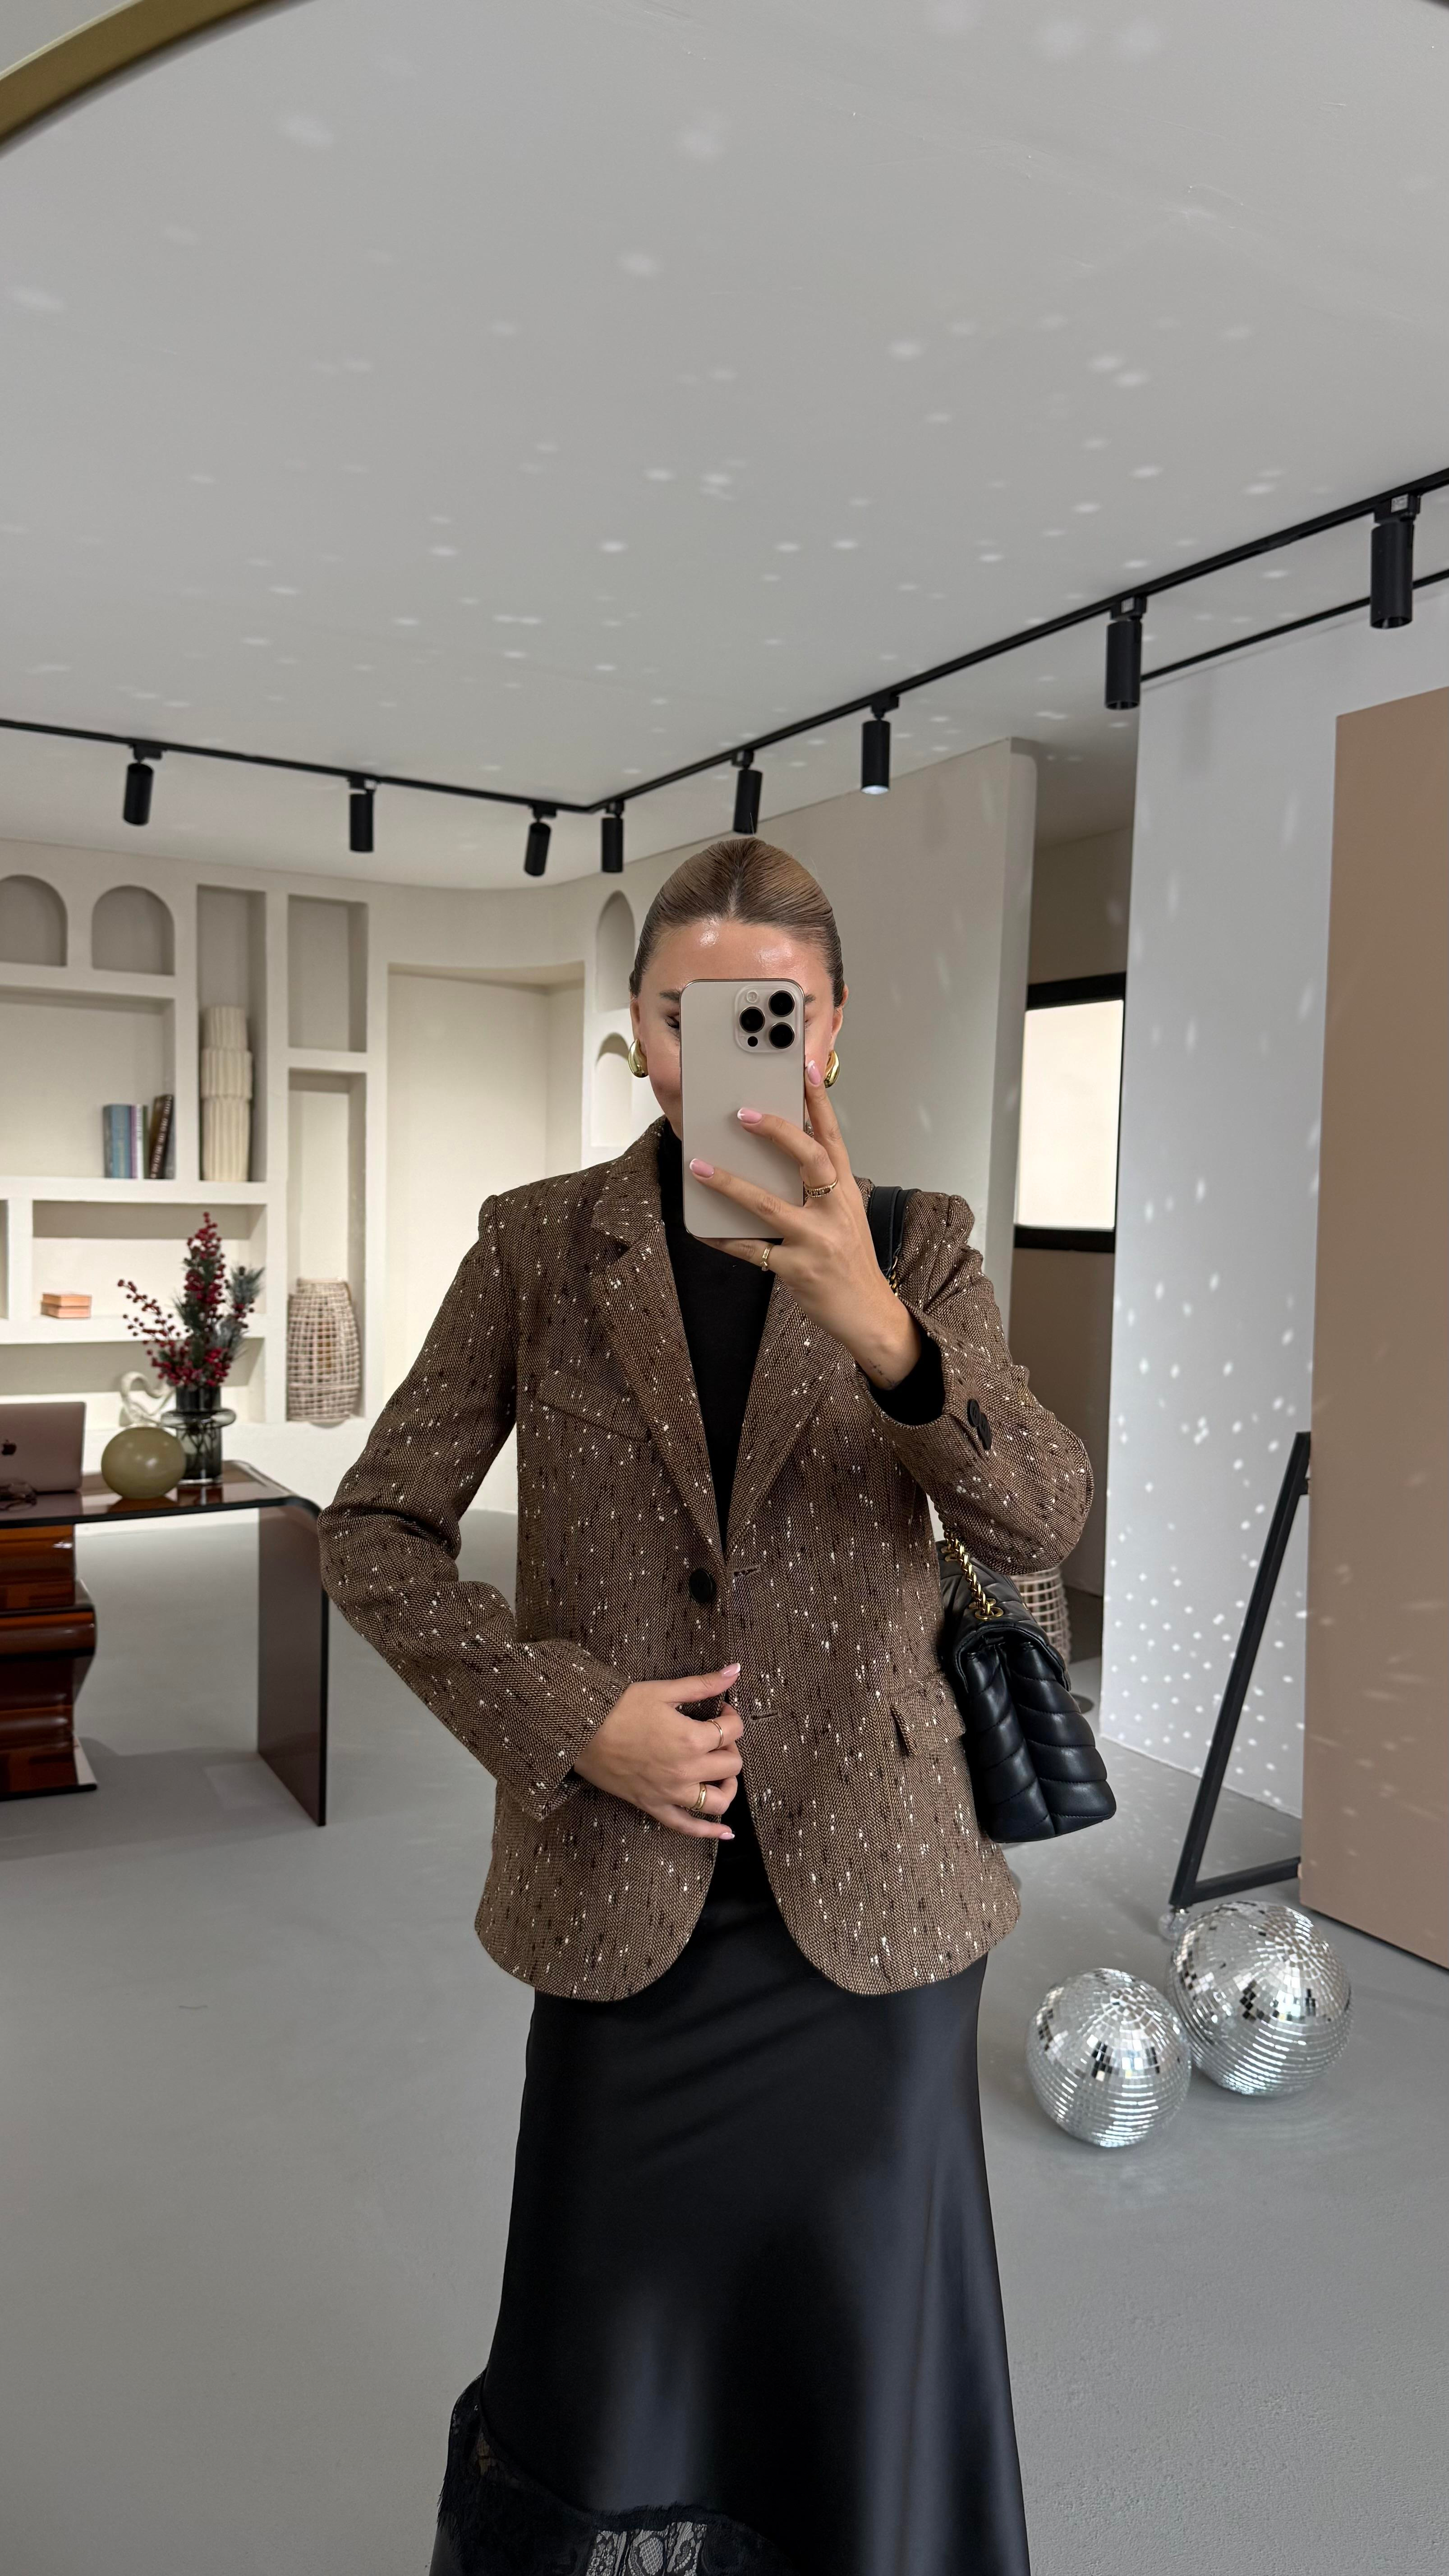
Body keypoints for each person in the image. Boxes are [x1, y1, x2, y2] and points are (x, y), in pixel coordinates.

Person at [317, 835, 1092, 2576]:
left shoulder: (922, 1246)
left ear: (832, 1030)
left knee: (858, 2341)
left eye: (773, 1012)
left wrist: (885, 1333)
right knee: (602, 2357)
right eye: (688, 1015)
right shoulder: (538, 1246)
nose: (724, 1050)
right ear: (642, 1032)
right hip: (624, 1890)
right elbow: (371, 1531)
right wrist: (567, 1717)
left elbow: (1041, 1517)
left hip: (874, 1912)